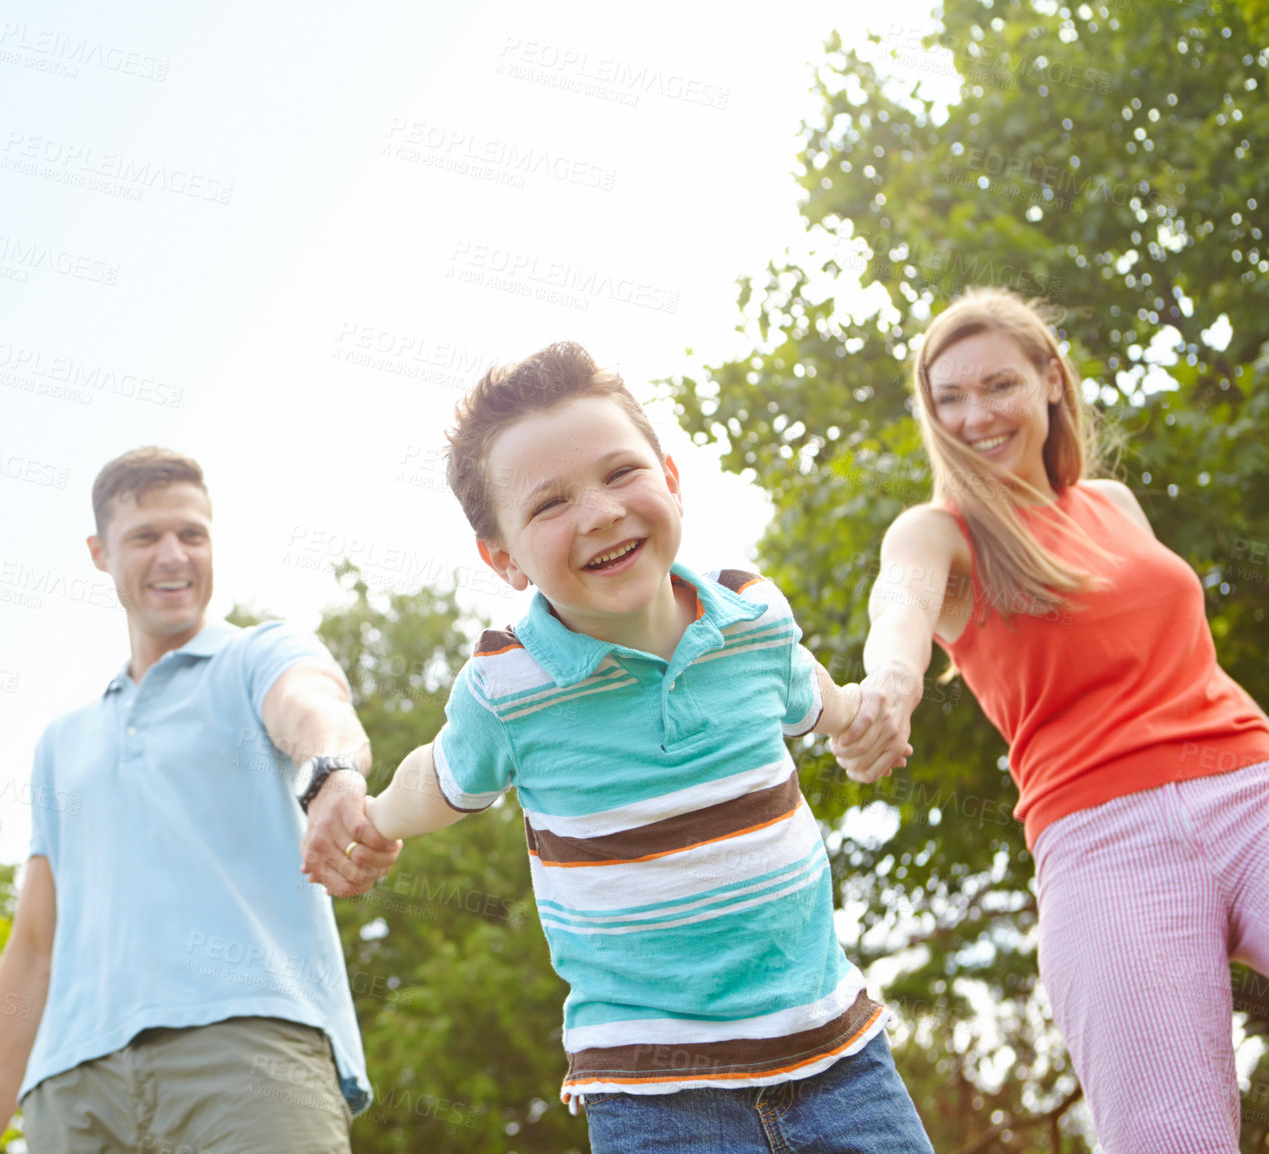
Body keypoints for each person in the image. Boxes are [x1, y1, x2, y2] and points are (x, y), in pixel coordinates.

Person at [313, 344, 934, 1153]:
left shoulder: (750, 613)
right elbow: (439, 775)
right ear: (502, 559)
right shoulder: (510, 683)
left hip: (840, 1063)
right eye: (550, 504)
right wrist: (374, 817)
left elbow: (799, 677)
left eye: (620, 473)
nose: (601, 512)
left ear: (671, 479)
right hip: (654, 1093)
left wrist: (855, 714)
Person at [832, 287, 1269, 1153]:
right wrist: (888, 683)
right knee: (1170, 1138)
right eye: (948, 398)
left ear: (1051, 383)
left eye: (997, 385)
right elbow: (902, 603)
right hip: (1103, 842)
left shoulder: (1116, 507)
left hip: (1249, 789)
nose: (974, 415)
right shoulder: (939, 533)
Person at [0, 447, 401, 1154]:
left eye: (192, 534)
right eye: (146, 537)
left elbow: (312, 705)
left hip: (248, 1049)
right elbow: (35, 945)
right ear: (101, 553)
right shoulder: (61, 743)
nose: (174, 555)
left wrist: (333, 773)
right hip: (73, 1091)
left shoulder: (254, 657)